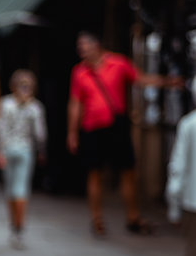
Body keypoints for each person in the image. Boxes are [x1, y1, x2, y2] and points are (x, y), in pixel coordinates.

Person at [66, 31, 178, 237]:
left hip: (116, 126)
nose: (81, 49)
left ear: (96, 44)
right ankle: (97, 219)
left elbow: (141, 79)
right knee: (94, 173)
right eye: (79, 46)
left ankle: (133, 216)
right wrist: (72, 132)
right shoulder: (79, 72)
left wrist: (167, 82)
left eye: (85, 45)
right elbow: (75, 103)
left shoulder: (118, 63)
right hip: (91, 127)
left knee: (128, 171)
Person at [0, 69, 47, 249]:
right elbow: (40, 134)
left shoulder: (6, 103)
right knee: (20, 189)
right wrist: (41, 150)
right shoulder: (35, 107)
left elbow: (0, 129)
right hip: (24, 150)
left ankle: (14, 226)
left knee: (11, 190)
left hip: (8, 149)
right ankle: (19, 228)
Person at [166, 101, 196, 256]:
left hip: (191, 201)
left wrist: (173, 206)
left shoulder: (188, 125)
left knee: (193, 254)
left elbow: (178, 166)